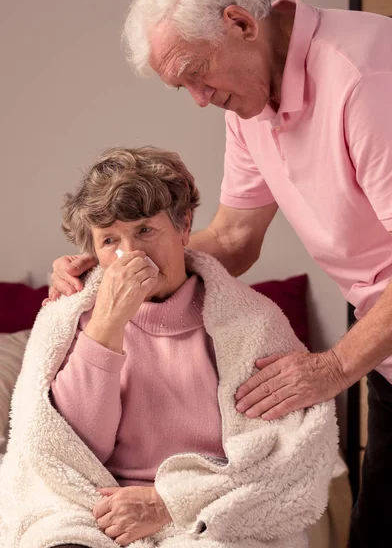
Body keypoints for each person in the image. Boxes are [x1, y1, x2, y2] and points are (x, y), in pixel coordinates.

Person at [47, 0, 392, 547]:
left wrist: (334, 367)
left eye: (196, 75)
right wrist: (110, 276)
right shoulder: (252, 101)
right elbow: (233, 237)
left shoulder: (367, 75)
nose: (200, 100)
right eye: (183, 87)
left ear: (240, 23)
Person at [0, 146, 337, 548]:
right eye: (110, 240)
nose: (131, 254)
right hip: (93, 512)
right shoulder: (72, 319)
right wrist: (108, 323)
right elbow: (67, 453)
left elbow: (284, 458)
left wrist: (172, 502)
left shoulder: (251, 324)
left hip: (206, 512)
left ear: (183, 226)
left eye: (145, 230)